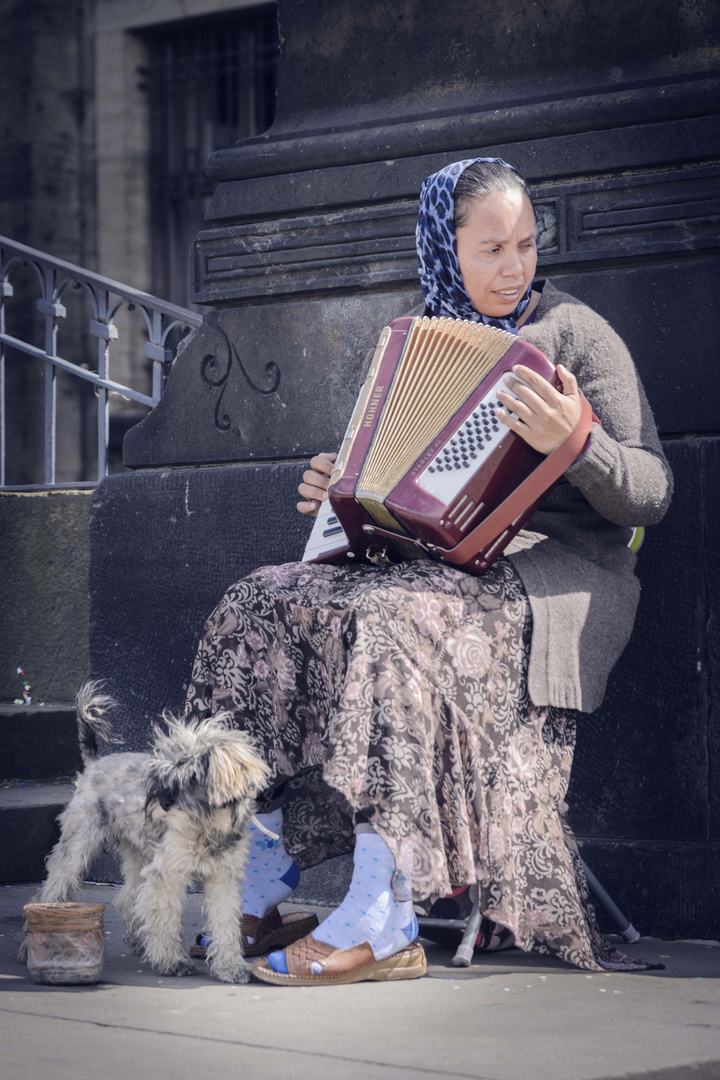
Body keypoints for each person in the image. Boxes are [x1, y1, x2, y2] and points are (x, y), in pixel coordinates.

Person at [184, 157, 673, 985]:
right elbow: (381, 479)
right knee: (256, 602)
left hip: (549, 580)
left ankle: (383, 921)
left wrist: (577, 444)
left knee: (393, 620)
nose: (514, 265)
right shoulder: (414, 339)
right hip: (427, 567)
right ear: (444, 249)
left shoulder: (578, 336)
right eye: (490, 249)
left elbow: (652, 491)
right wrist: (334, 485)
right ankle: (257, 882)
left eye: (525, 243)